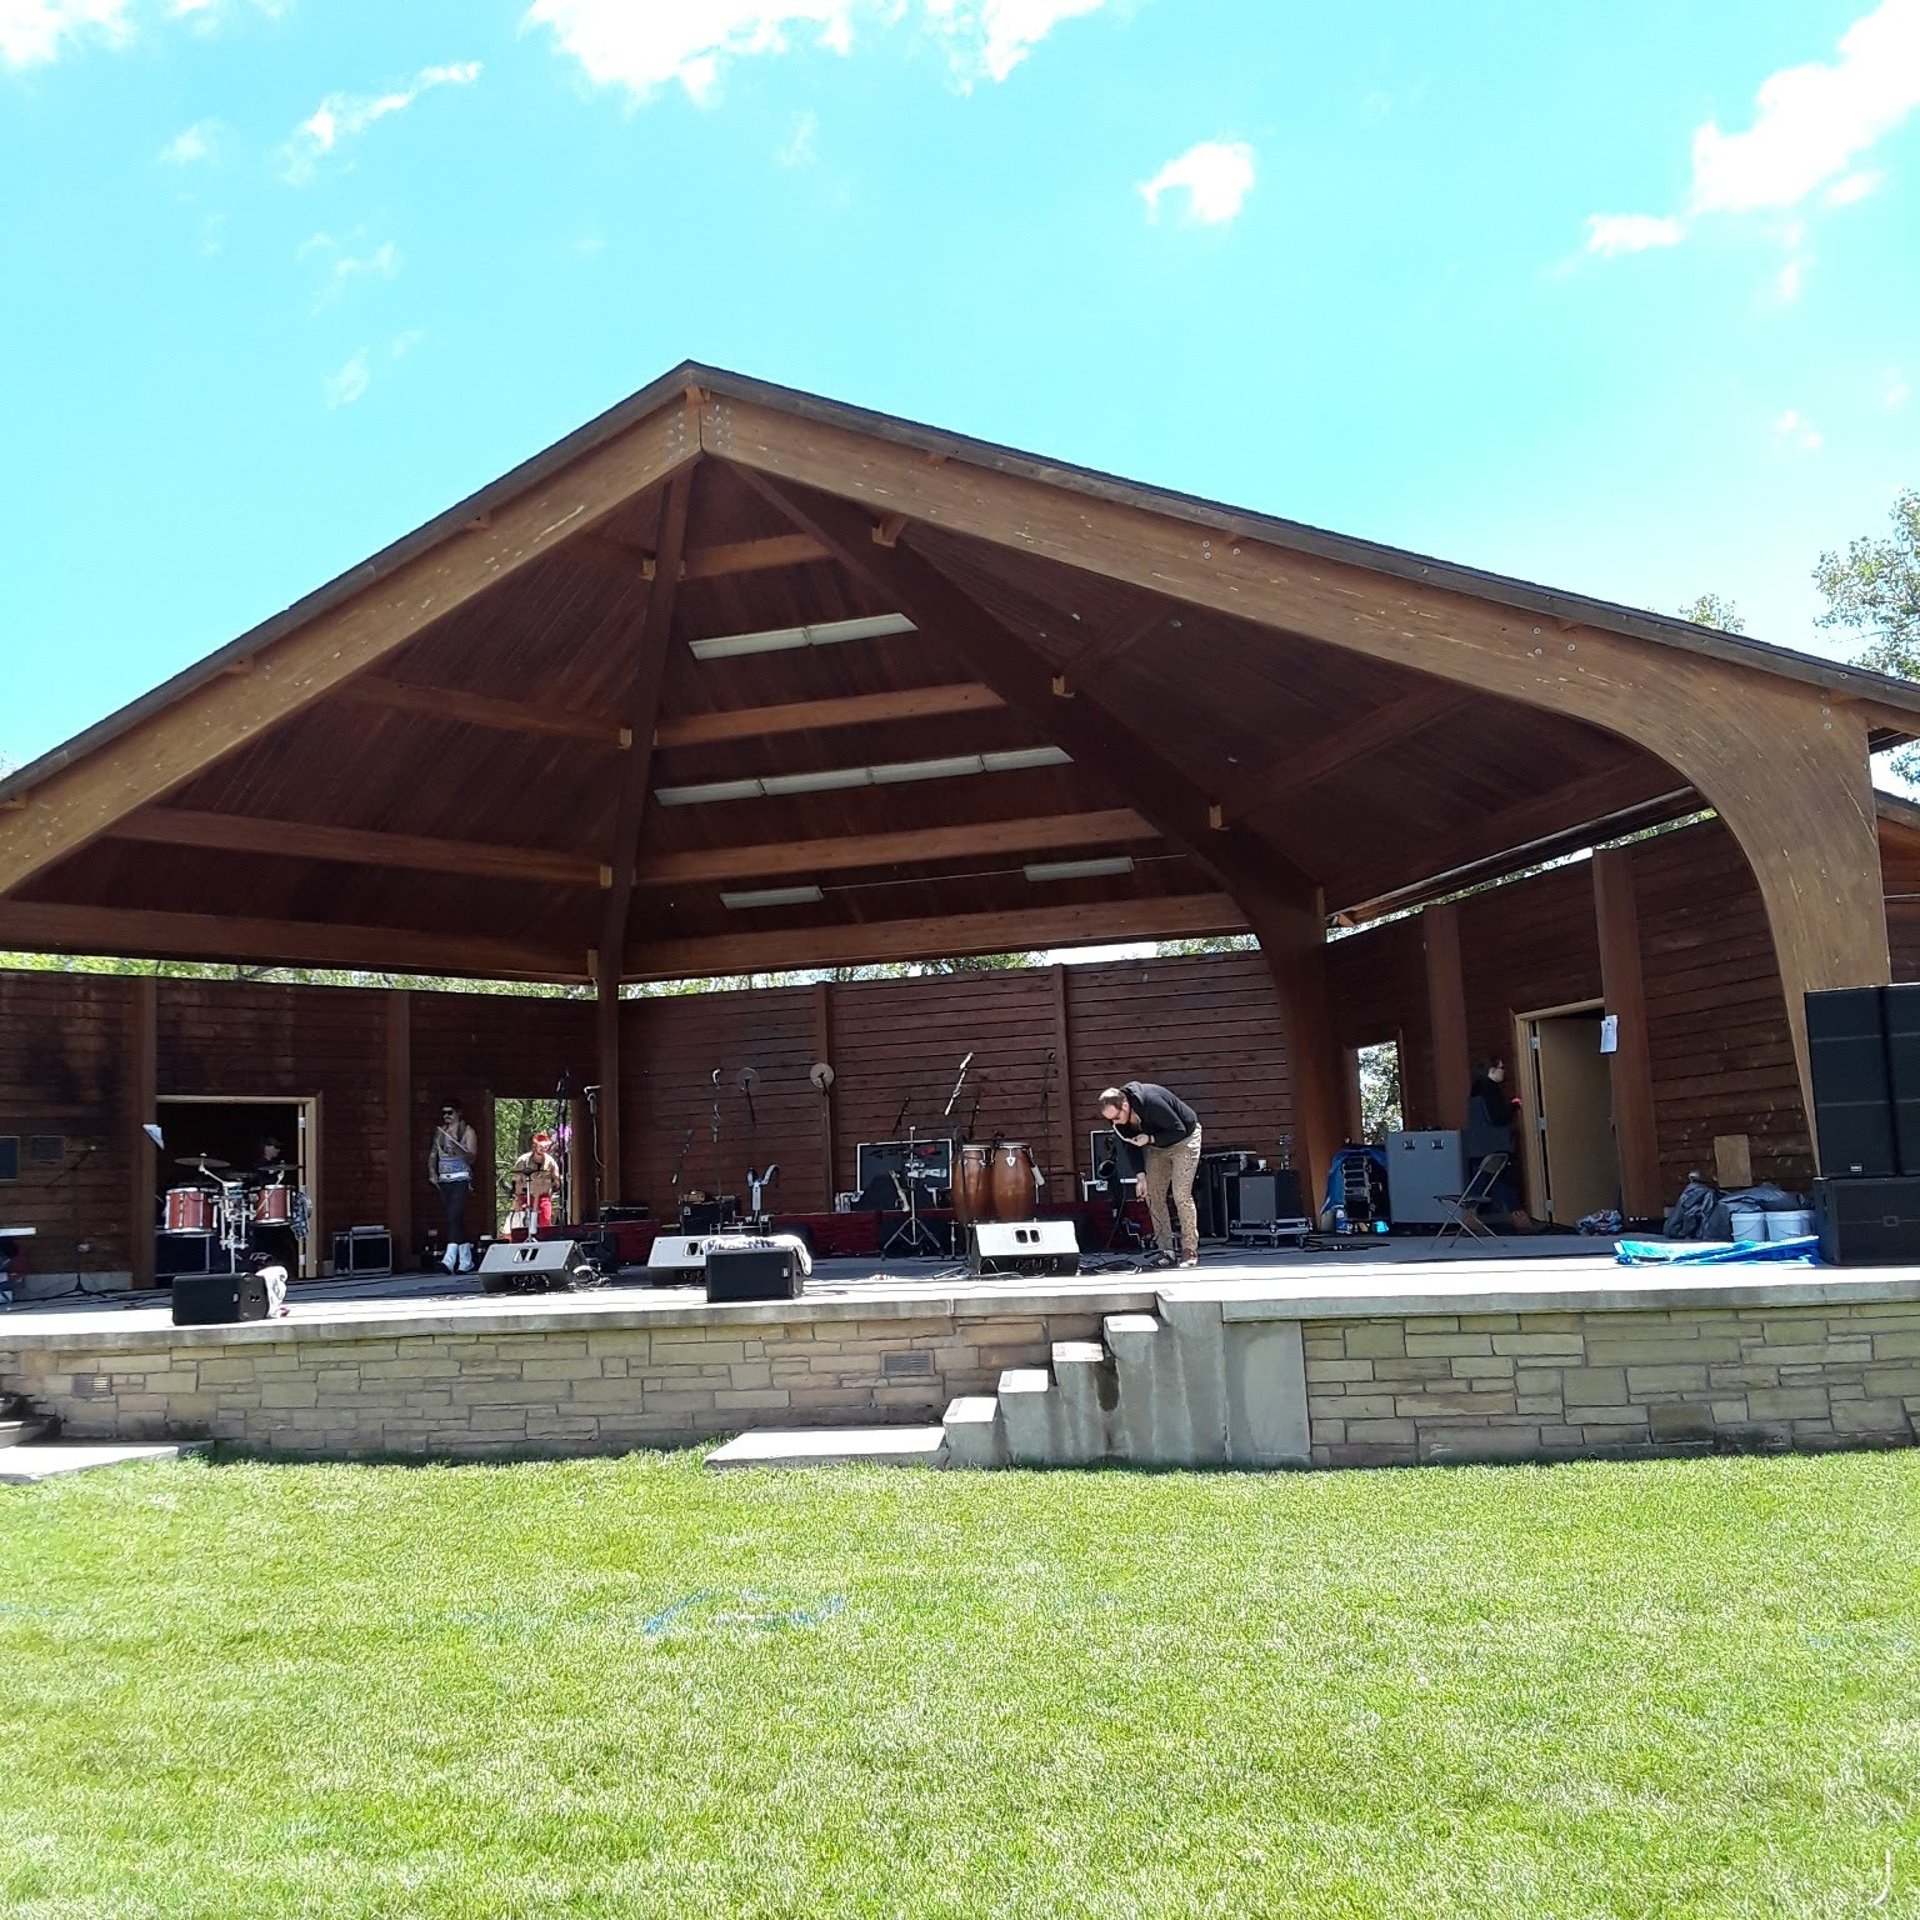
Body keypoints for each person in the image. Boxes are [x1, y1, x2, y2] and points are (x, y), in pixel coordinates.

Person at [1099, 1081, 1202, 1269]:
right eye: (1110, 1120)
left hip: (1184, 1139)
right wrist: (1140, 1176)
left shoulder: (1151, 1102)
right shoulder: (1118, 1122)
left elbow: (1178, 1129)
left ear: (1125, 1105)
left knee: (1181, 1195)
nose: (1114, 1123)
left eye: (1116, 1117)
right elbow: (1130, 1145)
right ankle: (1166, 1251)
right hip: (1156, 1146)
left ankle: (1189, 1250)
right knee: (1153, 1195)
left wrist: (1150, 1138)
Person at [1466, 1057, 1534, 1231]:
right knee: (1505, 1184)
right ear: (1492, 1070)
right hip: (1494, 1147)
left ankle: (1469, 1220)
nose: (1504, 1071)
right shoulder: (1490, 1090)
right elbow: (1497, 1117)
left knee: (1479, 1185)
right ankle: (1521, 1221)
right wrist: (1514, 1105)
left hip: (1477, 1147)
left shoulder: (1475, 1090)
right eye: (1501, 1067)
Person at [429, 1100, 478, 1273]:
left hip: (461, 1178)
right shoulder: (440, 1132)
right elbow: (434, 1154)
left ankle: (449, 1259)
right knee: (456, 1220)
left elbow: (472, 1157)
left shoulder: (467, 1131)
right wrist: (432, 1173)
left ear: (458, 1113)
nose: (446, 1116)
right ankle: (466, 1261)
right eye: (444, 1113)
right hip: (444, 1179)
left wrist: (460, 1150)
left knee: (454, 1216)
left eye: (450, 1112)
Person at [249, 1135, 300, 1276]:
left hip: (277, 1212)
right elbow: (251, 1186)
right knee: (265, 1239)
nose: (278, 1151)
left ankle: (289, 1269)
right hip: (260, 1211)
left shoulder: (277, 1168)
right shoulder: (255, 1168)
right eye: (275, 1147)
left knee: (284, 1239)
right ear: (266, 1147)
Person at [512, 1130, 561, 1237]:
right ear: (535, 1145)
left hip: (543, 1198)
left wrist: (550, 1192)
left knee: (545, 1225)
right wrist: (518, 1199)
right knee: (522, 1227)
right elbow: (516, 1181)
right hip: (526, 1197)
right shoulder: (523, 1161)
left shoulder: (550, 1162)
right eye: (541, 1145)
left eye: (546, 1146)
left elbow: (557, 1181)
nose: (544, 1148)